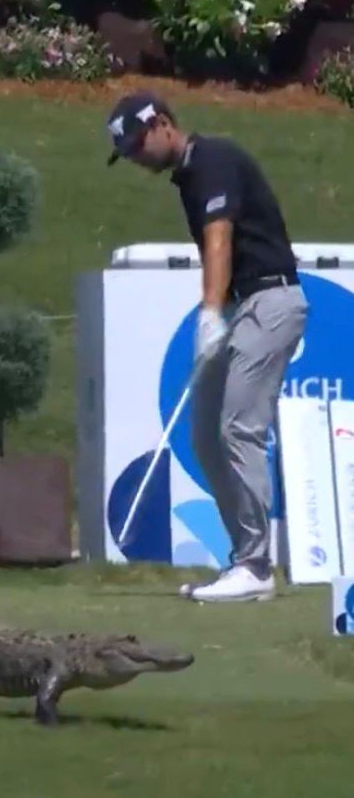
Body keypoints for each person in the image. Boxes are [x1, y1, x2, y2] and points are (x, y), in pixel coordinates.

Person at [106, 91, 308, 604]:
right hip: (246, 305)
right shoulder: (189, 176)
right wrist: (221, 311)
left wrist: (210, 312)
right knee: (205, 434)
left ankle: (256, 564)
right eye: (126, 152)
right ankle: (245, 558)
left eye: (137, 144)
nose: (135, 157)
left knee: (240, 428)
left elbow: (220, 238)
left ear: (164, 125)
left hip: (271, 301)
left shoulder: (212, 159)